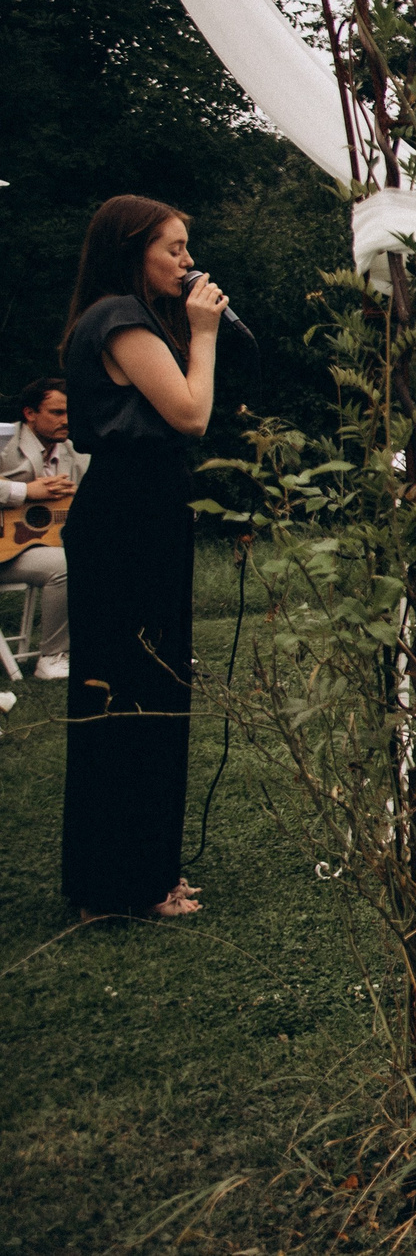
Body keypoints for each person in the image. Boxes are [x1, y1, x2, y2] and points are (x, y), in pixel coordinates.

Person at [58, 196, 227, 918]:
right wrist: (205, 333)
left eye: (187, 249)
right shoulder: (120, 320)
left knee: (151, 683)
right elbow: (190, 412)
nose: (187, 263)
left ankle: (143, 868)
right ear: (133, 250)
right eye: (174, 249)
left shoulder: (120, 318)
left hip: (140, 512)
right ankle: (124, 880)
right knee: (135, 685)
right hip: (129, 520)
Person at [1, 376, 84, 680]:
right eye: (57, 413)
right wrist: (25, 493)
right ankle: (51, 658)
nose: (66, 420)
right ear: (29, 413)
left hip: (31, 549)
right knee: (65, 565)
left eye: (69, 413)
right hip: (2, 550)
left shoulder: (74, 452)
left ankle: (130, 646)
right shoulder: (5, 443)